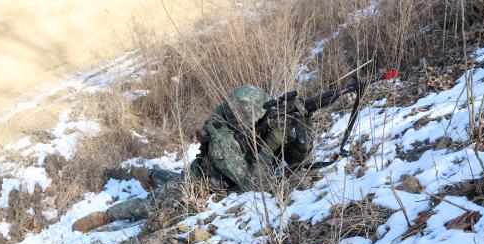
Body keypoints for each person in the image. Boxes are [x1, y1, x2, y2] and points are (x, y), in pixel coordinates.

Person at [72, 84, 314, 233]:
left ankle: (150, 174)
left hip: (211, 174)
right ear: (242, 119)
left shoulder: (257, 123)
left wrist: (302, 124)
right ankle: (106, 215)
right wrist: (271, 144)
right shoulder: (222, 142)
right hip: (201, 183)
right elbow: (252, 187)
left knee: (170, 178)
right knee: (156, 203)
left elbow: (297, 156)